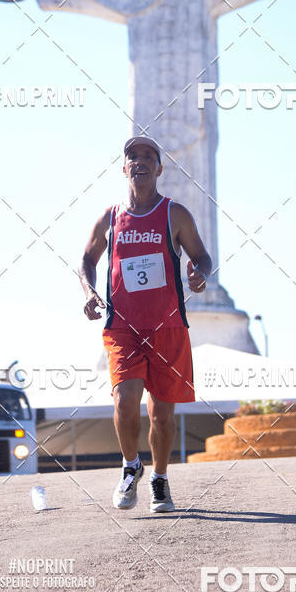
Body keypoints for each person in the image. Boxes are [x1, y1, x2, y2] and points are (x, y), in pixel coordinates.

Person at [79, 136, 212, 513]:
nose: (139, 162)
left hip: (168, 328)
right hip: (124, 328)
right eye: (132, 157)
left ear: (159, 168)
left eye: (148, 157)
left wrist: (199, 276)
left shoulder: (175, 214)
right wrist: (89, 292)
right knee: (124, 402)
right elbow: (87, 259)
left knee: (163, 415)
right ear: (124, 168)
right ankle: (130, 466)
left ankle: (160, 479)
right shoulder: (111, 217)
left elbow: (203, 257)